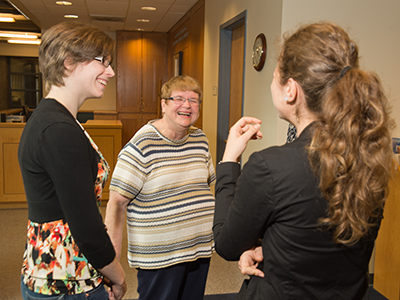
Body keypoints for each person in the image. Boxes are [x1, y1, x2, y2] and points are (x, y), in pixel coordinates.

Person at [213, 22, 395, 299]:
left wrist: (229, 161)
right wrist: (272, 248)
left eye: (275, 76)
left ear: (291, 90)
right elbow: (318, 234)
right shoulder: (372, 157)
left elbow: (226, 245)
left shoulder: (270, 167)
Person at [18, 21, 127, 300]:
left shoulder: (54, 118)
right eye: (103, 61)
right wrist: (117, 276)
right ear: (68, 63)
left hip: (57, 273)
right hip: (66, 282)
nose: (111, 72)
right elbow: (85, 224)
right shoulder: (58, 128)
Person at [105, 75, 216, 300]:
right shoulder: (141, 146)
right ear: (164, 104)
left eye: (194, 100)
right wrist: (111, 257)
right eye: (179, 98)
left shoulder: (200, 139)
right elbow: (117, 203)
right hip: (160, 255)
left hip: (198, 248)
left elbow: (206, 186)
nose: (187, 105)